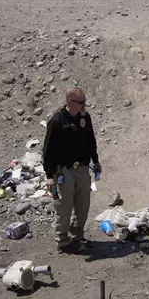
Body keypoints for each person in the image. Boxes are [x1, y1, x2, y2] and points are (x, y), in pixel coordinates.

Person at [43, 87, 102, 254]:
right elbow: (48, 150)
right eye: (81, 102)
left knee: (83, 204)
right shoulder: (57, 121)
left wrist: (96, 161)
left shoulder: (85, 117)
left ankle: (77, 235)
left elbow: (91, 140)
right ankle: (62, 241)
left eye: (84, 101)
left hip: (82, 168)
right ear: (70, 102)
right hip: (64, 171)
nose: (84, 105)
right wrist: (49, 175)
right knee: (64, 207)